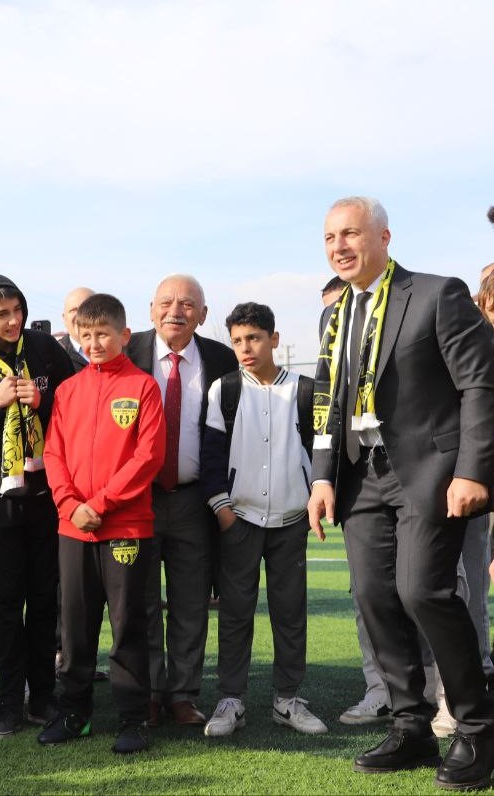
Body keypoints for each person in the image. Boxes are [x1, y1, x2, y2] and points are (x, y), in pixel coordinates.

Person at [308, 196, 494, 789]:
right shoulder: (333, 316)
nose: (340, 245)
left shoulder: (438, 294)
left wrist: (473, 470)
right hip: (360, 474)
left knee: (423, 591)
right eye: (331, 236)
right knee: (373, 597)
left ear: (384, 237)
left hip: (431, 474)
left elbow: (479, 385)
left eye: (352, 233)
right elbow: (326, 402)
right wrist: (319, 475)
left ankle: (476, 727)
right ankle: (410, 724)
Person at [41, 293, 165, 754]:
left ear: (124, 335)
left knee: (128, 624)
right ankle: (74, 712)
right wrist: (71, 505)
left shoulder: (143, 387)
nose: (94, 343)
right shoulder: (68, 390)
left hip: (126, 527)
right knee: (74, 625)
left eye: (103, 334)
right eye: (86, 335)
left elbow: (148, 456)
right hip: (73, 526)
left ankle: (134, 719)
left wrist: (102, 502)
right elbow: (53, 454)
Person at [0, 273, 74, 739]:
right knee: (5, 604)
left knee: (45, 599)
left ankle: (42, 696)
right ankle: (9, 703)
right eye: (1, 313)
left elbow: (75, 414)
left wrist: (42, 403)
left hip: (46, 497)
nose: (12, 320)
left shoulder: (46, 352)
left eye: (17, 310)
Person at [198, 302, 328, 738]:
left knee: (290, 613)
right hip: (241, 518)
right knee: (235, 612)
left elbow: (321, 453)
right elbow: (211, 455)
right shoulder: (225, 389)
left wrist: (315, 498)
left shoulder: (307, 389)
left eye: (253, 338)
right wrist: (222, 508)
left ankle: (287, 700)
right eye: (236, 340)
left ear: (274, 338)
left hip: (292, 518)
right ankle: (231, 699)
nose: (244, 347)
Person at [126, 275, 237, 727]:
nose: (177, 310)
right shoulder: (127, 352)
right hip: (138, 499)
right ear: (151, 309)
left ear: (203, 315)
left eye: (188, 304)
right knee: (142, 600)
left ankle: (183, 696)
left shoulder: (222, 359)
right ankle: (150, 693)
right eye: (167, 302)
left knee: (191, 602)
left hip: (196, 499)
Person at [59, 286, 95, 373]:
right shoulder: (55, 355)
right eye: (73, 310)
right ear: (64, 318)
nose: (80, 315)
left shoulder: (120, 351)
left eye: (86, 308)